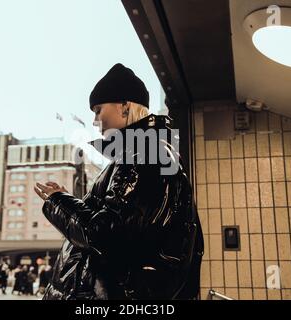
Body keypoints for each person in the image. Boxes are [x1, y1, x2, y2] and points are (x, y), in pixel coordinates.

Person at [34, 63, 204, 300]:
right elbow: (119, 227)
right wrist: (70, 201)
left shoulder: (147, 153)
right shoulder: (144, 153)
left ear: (124, 106)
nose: (95, 121)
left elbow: (105, 236)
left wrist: (58, 202)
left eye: (98, 110)